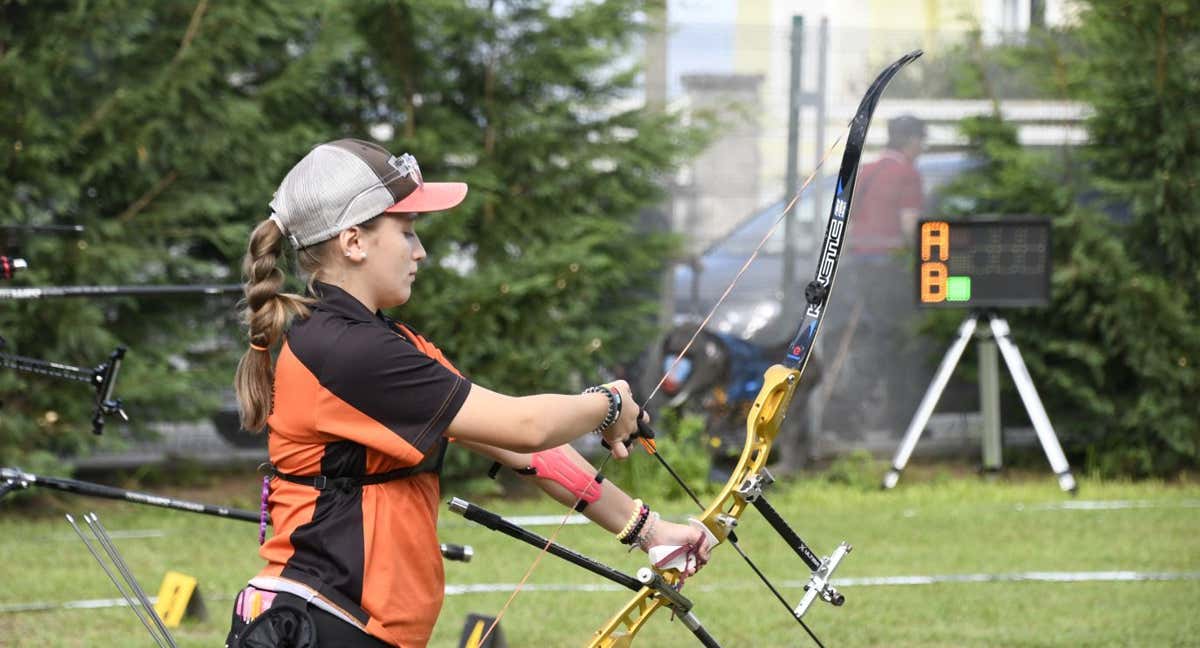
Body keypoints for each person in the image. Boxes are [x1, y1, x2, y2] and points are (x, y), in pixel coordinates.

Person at [225, 138, 713, 648]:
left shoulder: (386, 344)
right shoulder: (345, 350)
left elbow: (524, 447)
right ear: (353, 242)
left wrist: (650, 531)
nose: (421, 251)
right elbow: (527, 426)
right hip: (320, 625)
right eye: (408, 233)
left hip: (346, 624)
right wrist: (610, 402)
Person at [849, 114, 926, 255]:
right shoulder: (909, 174)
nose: (922, 148)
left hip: (858, 253)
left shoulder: (866, 170)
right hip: (890, 257)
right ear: (913, 141)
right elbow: (909, 225)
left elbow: (850, 214)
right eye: (922, 141)